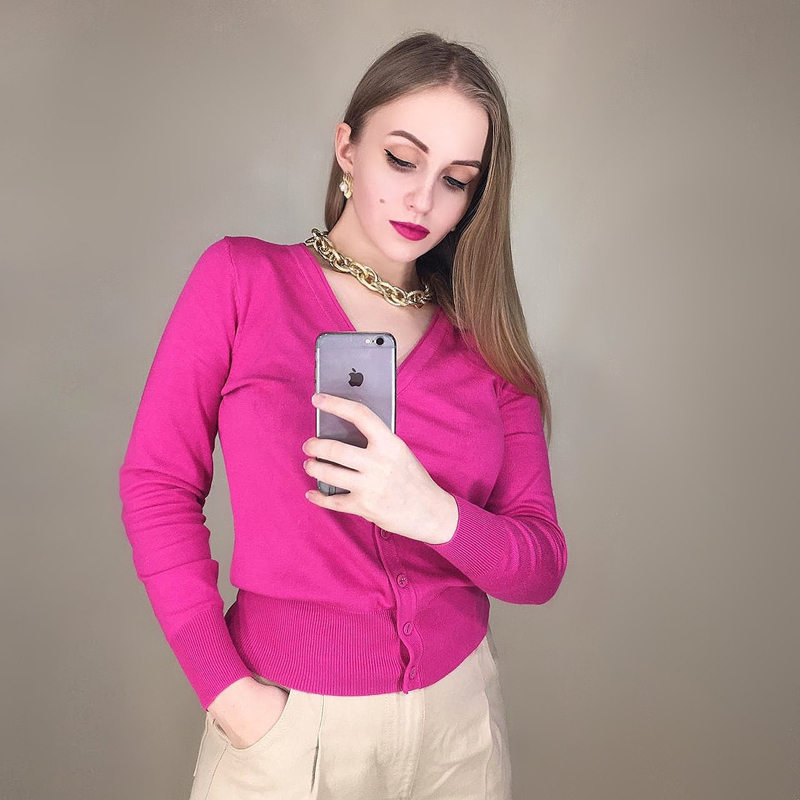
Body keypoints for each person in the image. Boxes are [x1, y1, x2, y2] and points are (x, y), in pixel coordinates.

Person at [118, 30, 568, 800]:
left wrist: (432, 513)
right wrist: (228, 693)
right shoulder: (242, 280)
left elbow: (540, 565)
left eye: (456, 179)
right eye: (402, 159)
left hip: (458, 735)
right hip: (288, 731)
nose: (423, 200)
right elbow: (157, 484)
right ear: (347, 148)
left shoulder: (488, 344)